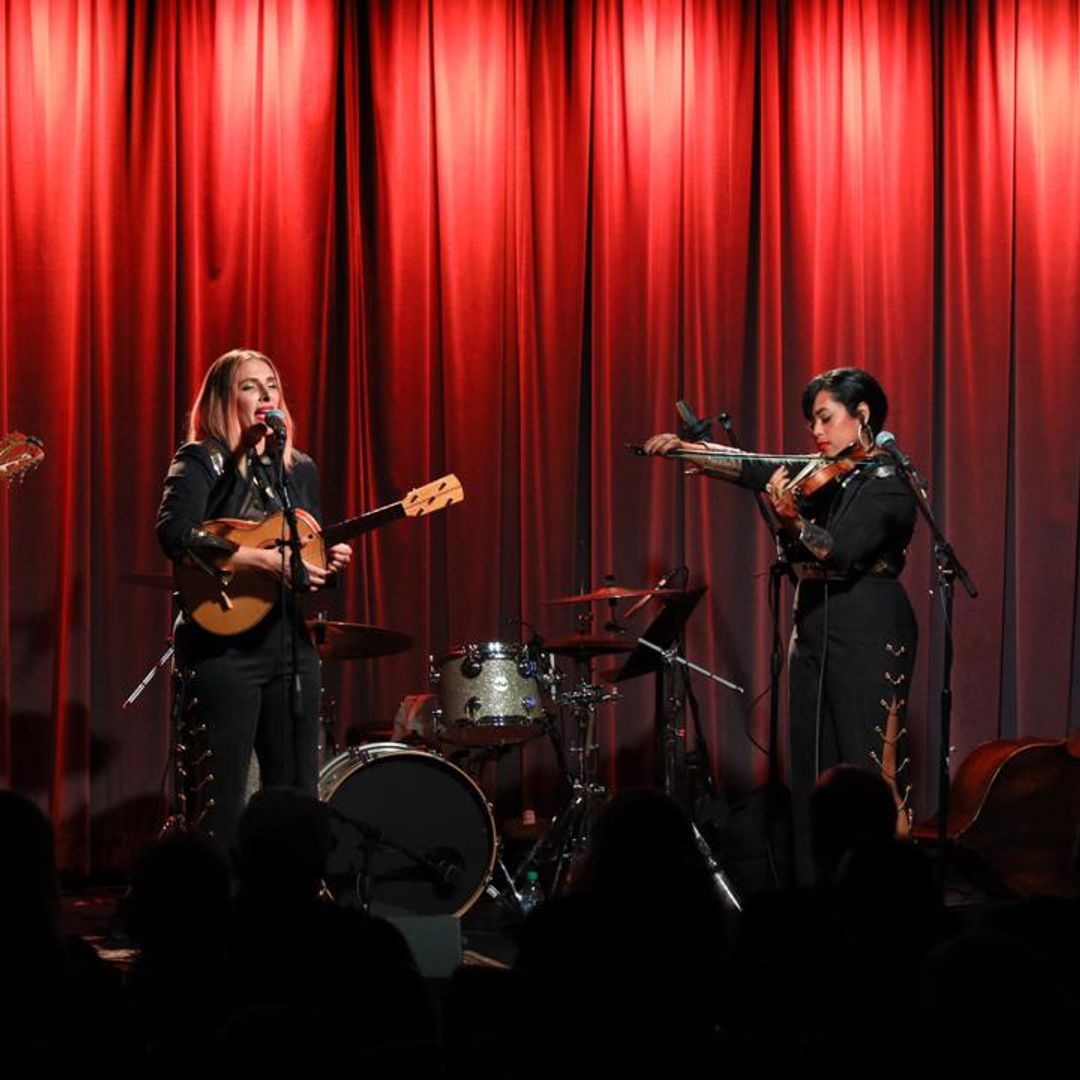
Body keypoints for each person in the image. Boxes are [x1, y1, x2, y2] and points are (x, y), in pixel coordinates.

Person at [644, 367, 917, 883]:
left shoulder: (888, 482)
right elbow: (754, 467)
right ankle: (819, 898)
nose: (816, 431)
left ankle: (883, 896)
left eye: (826, 418)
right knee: (812, 767)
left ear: (862, 416)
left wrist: (791, 520)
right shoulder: (829, 471)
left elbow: (839, 554)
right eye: (813, 420)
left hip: (868, 620)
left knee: (867, 766)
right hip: (814, 618)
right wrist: (687, 450)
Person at [156, 348, 351, 846]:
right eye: (250, 385)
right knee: (222, 802)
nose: (265, 394)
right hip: (223, 650)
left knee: (298, 796)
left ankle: (293, 905)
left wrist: (328, 566)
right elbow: (174, 532)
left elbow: (302, 559)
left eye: (272, 384)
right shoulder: (202, 459)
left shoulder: (298, 470)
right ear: (226, 399)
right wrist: (260, 560)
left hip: (289, 645)